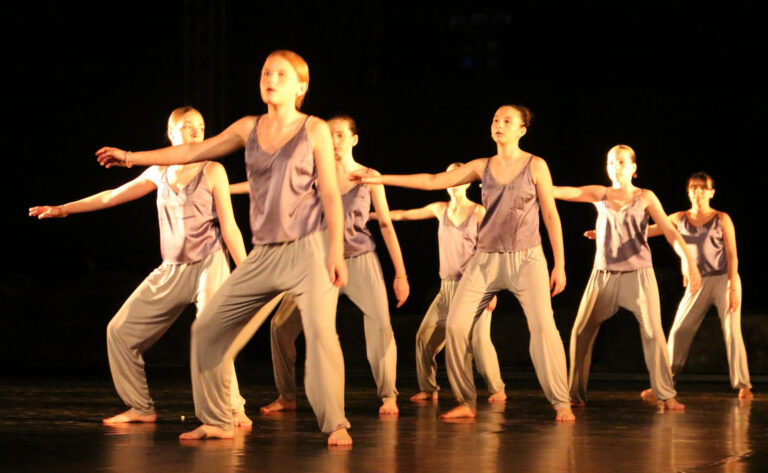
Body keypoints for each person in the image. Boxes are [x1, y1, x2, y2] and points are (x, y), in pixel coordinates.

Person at [95, 50, 353, 445]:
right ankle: (217, 420)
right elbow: (191, 152)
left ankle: (335, 424)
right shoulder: (248, 127)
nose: (271, 78)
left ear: (301, 87)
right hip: (264, 252)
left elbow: (332, 195)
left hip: (310, 249)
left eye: (282, 74)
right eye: (267, 71)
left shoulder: (314, 129)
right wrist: (131, 157)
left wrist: (336, 250)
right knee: (208, 330)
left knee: (319, 335)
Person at [30, 106, 253, 426]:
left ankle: (232, 407)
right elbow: (112, 196)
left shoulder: (212, 169)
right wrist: (64, 209)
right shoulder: (157, 171)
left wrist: (246, 272)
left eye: (201, 127)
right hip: (172, 268)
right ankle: (141, 407)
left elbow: (230, 227)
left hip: (210, 262)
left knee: (210, 333)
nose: (196, 131)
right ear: (171, 133)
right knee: (119, 331)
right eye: (188, 126)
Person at [354, 105, 575, 422]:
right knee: (456, 326)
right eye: (495, 119)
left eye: (507, 121)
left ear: (522, 130)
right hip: (484, 260)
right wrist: (379, 179)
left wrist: (560, 264)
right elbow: (432, 180)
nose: (498, 124)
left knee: (543, 329)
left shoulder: (536, 165)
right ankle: (465, 401)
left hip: (527, 259)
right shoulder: (481, 166)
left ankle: (560, 401)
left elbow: (551, 215)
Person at [236, 115, 409, 416]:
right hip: (319, 263)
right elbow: (264, 186)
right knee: (280, 327)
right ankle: (286, 395)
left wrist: (401, 273)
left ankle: (388, 394)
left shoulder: (369, 176)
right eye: (329, 135)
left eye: (341, 135)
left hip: (360, 261)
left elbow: (386, 224)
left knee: (380, 326)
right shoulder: (312, 178)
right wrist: (220, 188)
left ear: (354, 139)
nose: (335, 141)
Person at [553, 144, 701, 411]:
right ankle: (575, 394)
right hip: (603, 276)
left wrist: (688, 261)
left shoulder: (646, 197)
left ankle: (666, 394)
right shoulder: (601, 194)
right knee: (580, 332)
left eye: (621, 162)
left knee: (654, 334)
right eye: (611, 162)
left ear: (633, 168)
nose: (615, 167)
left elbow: (669, 231)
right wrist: (537, 186)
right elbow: (567, 192)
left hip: (638, 276)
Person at [376, 162, 506, 404]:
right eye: (449, 178)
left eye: (458, 178)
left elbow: (492, 250)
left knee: (478, 341)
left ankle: (497, 388)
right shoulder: (439, 209)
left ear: (468, 183)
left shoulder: (479, 212)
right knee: (424, 338)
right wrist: (371, 215)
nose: (453, 183)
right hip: (446, 289)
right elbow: (403, 214)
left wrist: (493, 288)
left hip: (474, 289)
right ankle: (429, 388)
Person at [636, 172, 751, 399]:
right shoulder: (679, 218)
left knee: (732, 330)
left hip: (724, 279)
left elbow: (732, 254)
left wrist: (732, 287)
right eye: (693, 188)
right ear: (689, 192)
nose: (698, 192)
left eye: (702, 188)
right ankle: (664, 385)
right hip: (698, 282)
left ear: (711, 192)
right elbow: (649, 230)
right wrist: (607, 232)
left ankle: (743, 384)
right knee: (679, 330)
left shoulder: (722, 218)